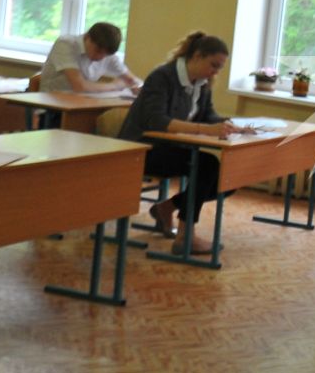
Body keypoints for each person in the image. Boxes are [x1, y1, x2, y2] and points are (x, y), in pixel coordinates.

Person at [118, 30, 244, 253]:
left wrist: (231, 124)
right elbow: (156, 120)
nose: (215, 72)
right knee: (207, 165)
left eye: (219, 68)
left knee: (229, 178)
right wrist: (205, 129)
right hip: (141, 148)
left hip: (172, 148)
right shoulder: (162, 77)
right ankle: (186, 236)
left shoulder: (202, 83)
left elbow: (208, 115)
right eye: (213, 65)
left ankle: (167, 207)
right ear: (196, 57)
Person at [40, 22, 141, 95]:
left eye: (105, 54)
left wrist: (137, 86)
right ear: (87, 37)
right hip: (52, 107)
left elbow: (132, 80)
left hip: (83, 103)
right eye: (97, 51)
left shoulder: (107, 53)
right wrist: (115, 86)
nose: (100, 57)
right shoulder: (66, 44)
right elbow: (79, 86)